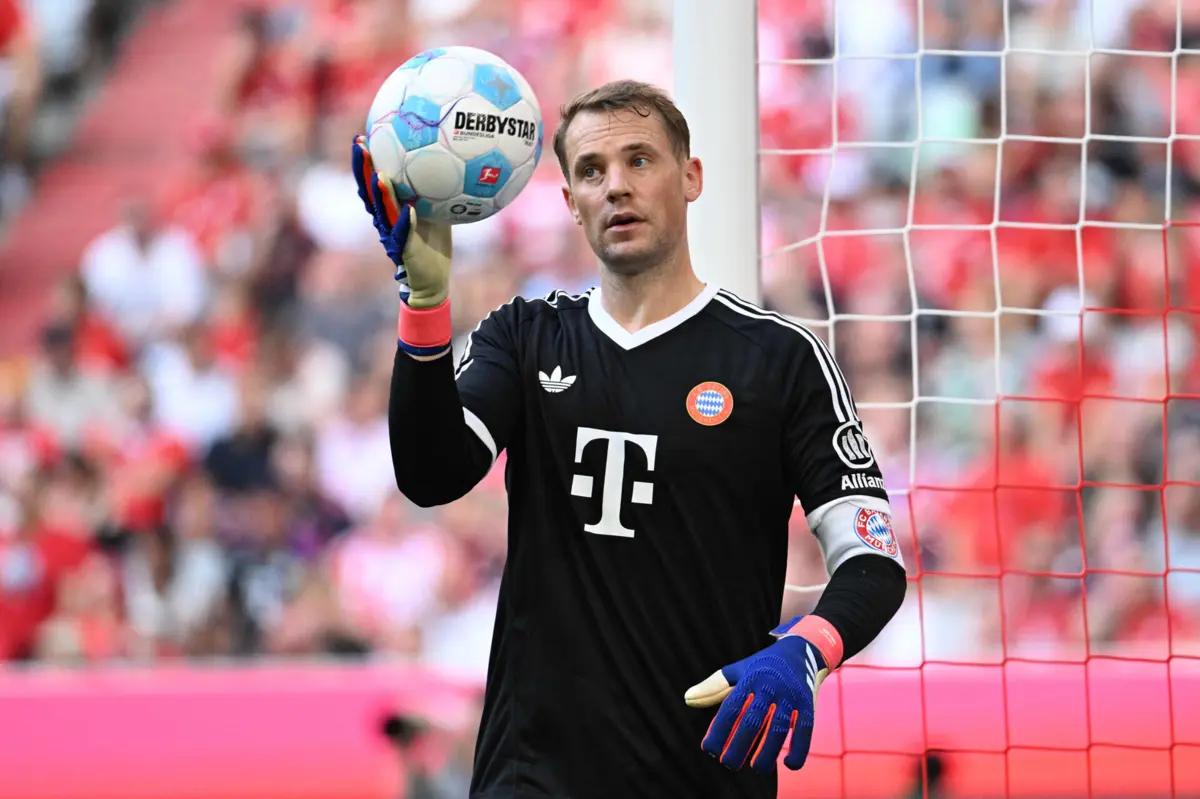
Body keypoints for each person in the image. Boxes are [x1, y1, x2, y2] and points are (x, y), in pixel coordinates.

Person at [352, 79, 907, 799]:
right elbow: (430, 474)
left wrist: (807, 647)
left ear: (691, 177)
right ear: (570, 204)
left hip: (705, 772)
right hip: (533, 775)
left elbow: (873, 560)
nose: (616, 185)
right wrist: (425, 306)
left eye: (640, 160)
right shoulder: (523, 335)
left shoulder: (780, 358)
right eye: (591, 170)